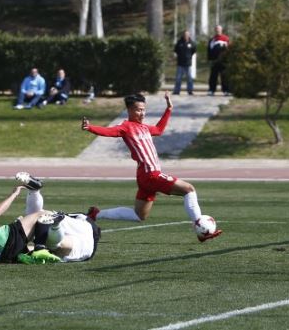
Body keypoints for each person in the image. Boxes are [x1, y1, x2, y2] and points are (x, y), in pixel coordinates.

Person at [81, 92, 222, 242]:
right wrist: (90, 127)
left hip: (145, 176)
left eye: (143, 109)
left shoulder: (144, 128)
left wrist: (168, 109)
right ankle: (200, 228)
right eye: (138, 110)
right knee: (189, 189)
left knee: (139, 215)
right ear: (129, 110)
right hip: (150, 174)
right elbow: (108, 132)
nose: (142, 113)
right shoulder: (125, 127)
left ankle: (96, 214)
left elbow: (159, 129)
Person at [17, 171, 101, 263]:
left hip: (84, 232)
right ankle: (35, 192)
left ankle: (53, 226)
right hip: (85, 233)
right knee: (40, 218)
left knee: (55, 242)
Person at [207, 25, 230, 96]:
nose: (218, 31)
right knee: (213, 77)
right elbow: (209, 50)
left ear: (221, 30)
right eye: (216, 29)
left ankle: (226, 90)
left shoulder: (226, 39)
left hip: (223, 62)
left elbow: (229, 50)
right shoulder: (212, 40)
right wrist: (210, 60)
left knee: (225, 77)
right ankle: (211, 90)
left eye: (219, 29)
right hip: (215, 61)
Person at [173, 30, 197, 96]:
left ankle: (190, 91)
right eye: (185, 34)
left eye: (187, 34)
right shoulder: (179, 42)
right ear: (183, 35)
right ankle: (176, 91)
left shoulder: (192, 43)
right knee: (178, 78)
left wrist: (188, 57)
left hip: (188, 64)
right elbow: (176, 50)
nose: (186, 36)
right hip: (180, 63)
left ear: (189, 35)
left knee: (189, 78)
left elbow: (193, 51)